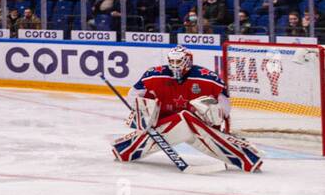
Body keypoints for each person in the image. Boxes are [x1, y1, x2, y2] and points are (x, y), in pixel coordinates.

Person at [110, 46, 261, 171]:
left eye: (179, 61)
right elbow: (133, 95)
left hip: (193, 124)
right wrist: (143, 112)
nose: (175, 65)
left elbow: (225, 107)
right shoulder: (153, 75)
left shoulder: (207, 78)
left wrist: (215, 115)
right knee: (186, 118)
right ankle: (245, 157)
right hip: (163, 122)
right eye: (172, 61)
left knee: (187, 118)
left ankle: (124, 149)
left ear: (188, 61)